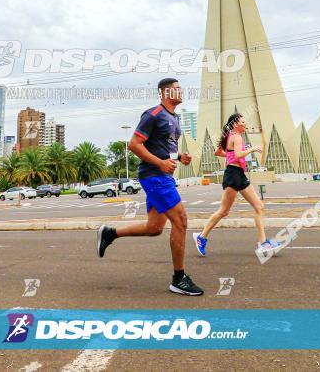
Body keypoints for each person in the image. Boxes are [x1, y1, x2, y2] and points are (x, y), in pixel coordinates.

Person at [96, 78, 203, 296]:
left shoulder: (174, 118)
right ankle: (178, 278)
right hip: (154, 176)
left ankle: (110, 233)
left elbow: (164, 149)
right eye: (176, 89)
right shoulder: (153, 114)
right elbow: (134, 145)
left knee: (154, 228)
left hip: (162, 175)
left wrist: (179, 157)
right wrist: (161, 163)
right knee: (181, 221)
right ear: (165, 93)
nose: (181, 92)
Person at [193, 113, 278, 257]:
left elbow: (218, 152)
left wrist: (230, 155)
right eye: (242, 122)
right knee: (223, 211)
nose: (245, 124)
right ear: (235, 124)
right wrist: (251, 149)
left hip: (239, 175)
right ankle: (201, 237)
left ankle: (263, 243)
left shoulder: (228, 136)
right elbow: (238, 155)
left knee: (259, 206)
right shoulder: (237, 137)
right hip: (233, 175)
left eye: (245, 122)